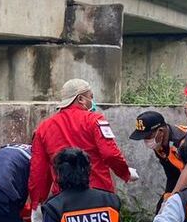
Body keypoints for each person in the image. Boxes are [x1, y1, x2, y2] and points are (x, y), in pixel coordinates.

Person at [29, 78, 133, 210]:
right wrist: (125, 173)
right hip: (98, 195)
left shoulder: (43, 128)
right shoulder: (95, 120)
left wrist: (36, 203)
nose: (92, 101)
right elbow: (110, 154)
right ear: (81, 99)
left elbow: (38, 171)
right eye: (91, 97)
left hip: (63, 200)